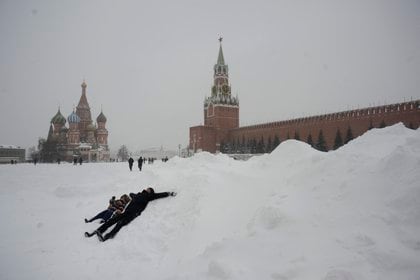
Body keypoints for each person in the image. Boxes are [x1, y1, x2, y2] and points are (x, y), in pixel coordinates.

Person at [85, 187, 176, 242]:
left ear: (150, 192)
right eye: (147, 188)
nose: (147, 189)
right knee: (112, 220)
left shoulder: (149, 197)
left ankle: (108, 236)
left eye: (149, 189)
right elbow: (131, 194)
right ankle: (99, 230)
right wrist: (133, 195)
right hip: (127, 211)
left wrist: (169, 193)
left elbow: (160, 195)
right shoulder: (139, 194)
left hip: (134, 213)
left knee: (120, 223)